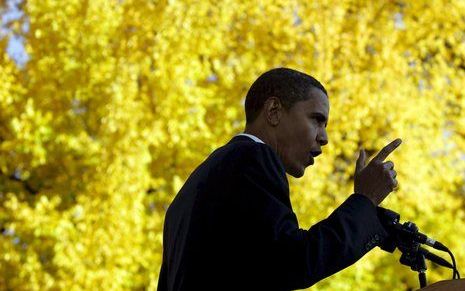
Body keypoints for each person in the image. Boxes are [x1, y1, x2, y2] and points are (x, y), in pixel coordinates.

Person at [157, 67, 401, 291]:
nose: (324, 137)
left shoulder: (189, 192)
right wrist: (365, 200)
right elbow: (294, 262)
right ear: (273, 111)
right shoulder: (253, 157)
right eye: (317, 119)